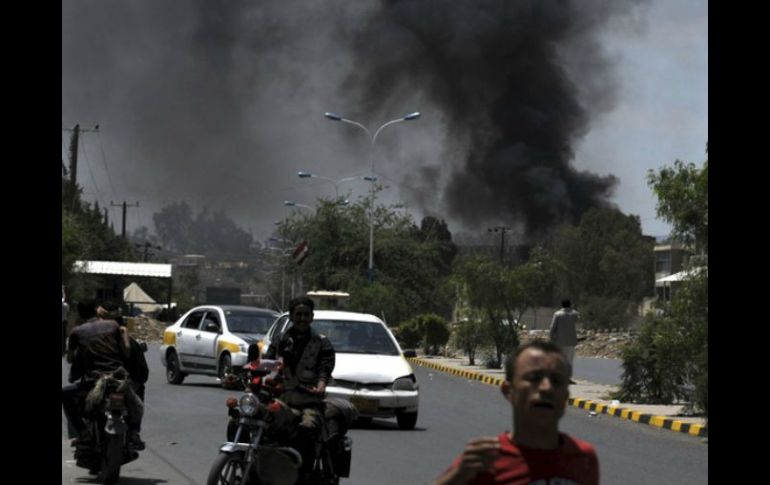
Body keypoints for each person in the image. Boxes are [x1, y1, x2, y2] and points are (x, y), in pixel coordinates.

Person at [434, 341, 599, 485]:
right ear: (508, 390)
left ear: (566, 395)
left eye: (556, 380)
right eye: (534, 378)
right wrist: (457, 477)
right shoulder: (485, 461)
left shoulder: (584, 458)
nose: (546, 388)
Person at [264, 296, 335, 484]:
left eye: (306, 314)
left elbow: (324, 370)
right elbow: (267, 364)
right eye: (298, 314)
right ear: (291, 316)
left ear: (312, 317)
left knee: (307, 430)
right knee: (260, 421)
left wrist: (320, 386)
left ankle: (302, 477)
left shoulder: (322, 343)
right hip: (282, 400)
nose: (302, 318)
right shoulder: (280, 341)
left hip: (309, 403)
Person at [61, 298, 144, 451]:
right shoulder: (114, 326)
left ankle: (83, 433)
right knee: (137, 395)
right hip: (119, 378)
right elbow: (126, 351)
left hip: (95, 381)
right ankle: (134, 433)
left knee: (65, 394)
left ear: (79, 314)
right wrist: (124, 332)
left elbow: (71, 359)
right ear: (95, 311)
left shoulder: (77, 332)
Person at [98, 302, 149, 450]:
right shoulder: (126, 339)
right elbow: (142, 373)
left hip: (104, 383)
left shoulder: (95, 338)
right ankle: (134, 432)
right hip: (114, 384)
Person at [549, 299, 579, 384]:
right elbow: (577, 319)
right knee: (569, 360)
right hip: (571, 341)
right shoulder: (574, 314)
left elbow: (552, 327)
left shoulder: (557, 314)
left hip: (559, 341)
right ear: (570, 305)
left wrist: (551, 337)